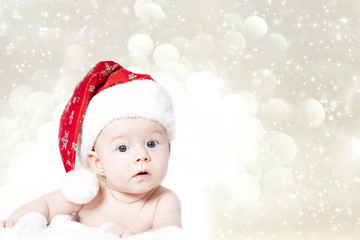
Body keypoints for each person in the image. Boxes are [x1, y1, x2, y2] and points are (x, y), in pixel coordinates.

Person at [0, 61, 182, 238]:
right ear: (98, 163)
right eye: (123, 148)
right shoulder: (88, 191)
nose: (142, 156)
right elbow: (45, 205)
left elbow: (169, 233)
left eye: (151, 144)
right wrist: (16, 221)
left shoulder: (163, 201)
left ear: (168, 149)